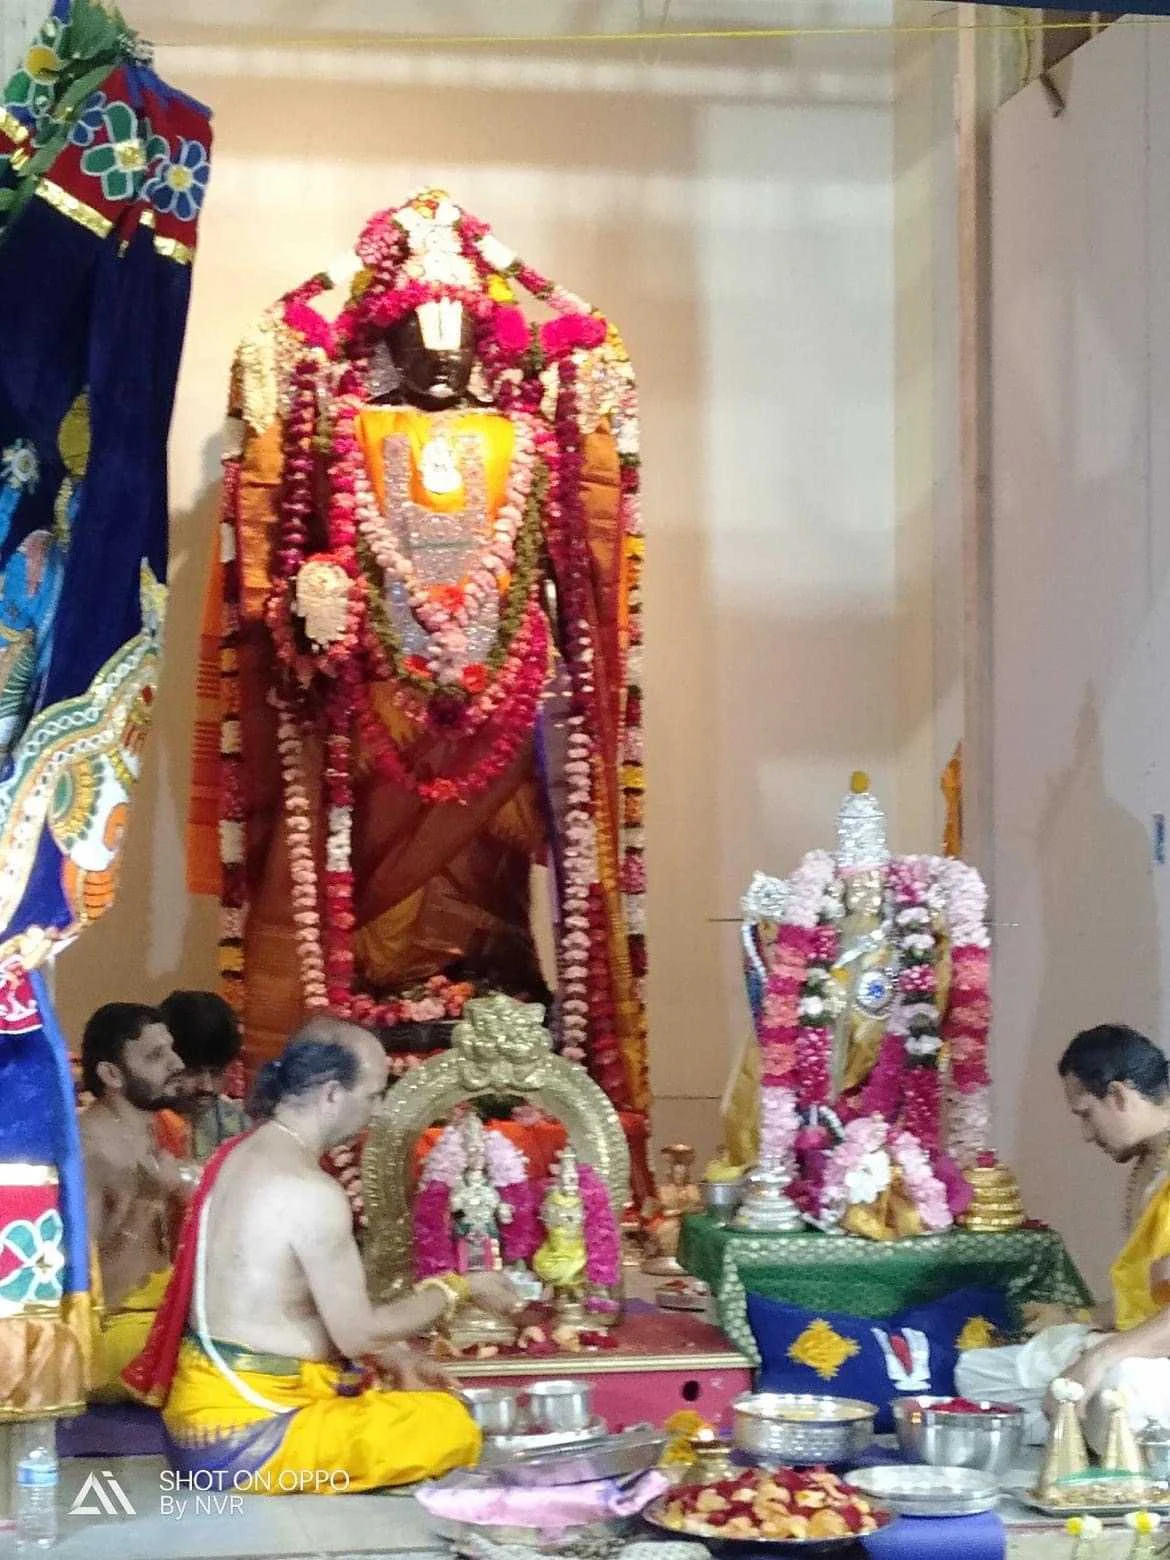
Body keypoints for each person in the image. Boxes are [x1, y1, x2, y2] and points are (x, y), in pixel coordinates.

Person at [124, 1016, 522, 1491]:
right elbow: (357, 1335)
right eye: (373, 1095)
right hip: (244, 1435)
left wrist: (396, 1358)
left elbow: (303, 1305)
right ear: (332, 1094)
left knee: (408, 1396)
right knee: (448, 1424)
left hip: (201, 1419)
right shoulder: (310, 1190)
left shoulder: (237, 1153)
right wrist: (460, 1288)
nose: (377, 1110)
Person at [956, 1024, 1170, 1448]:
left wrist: (1102, 1356)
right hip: (1141, 1348)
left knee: (1117, 1384)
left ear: (1119, 1095)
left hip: (1145, 1362)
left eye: (1086, 1114)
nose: (1087, 1134)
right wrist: (1077, 1318)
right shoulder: (1152, 1164)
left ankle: (1098, 1437)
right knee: (979, 1374)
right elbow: (1148, 1300)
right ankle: (1087, 1434)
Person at [80, 1002, 195, 1398]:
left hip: (156, 1318)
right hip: (113, 1329)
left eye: (172, 1049)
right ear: (111, 1074)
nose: (177, 1063)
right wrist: (149, 1200)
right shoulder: (90, 1147)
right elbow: (80, 1276)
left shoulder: (160, 1131)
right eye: (156, 1056)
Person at [159, 990, 250, 1161]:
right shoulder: (139, 1127)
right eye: (193, 1071)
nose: (206, 1087)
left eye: (216, 1072)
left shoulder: (239, 1126)